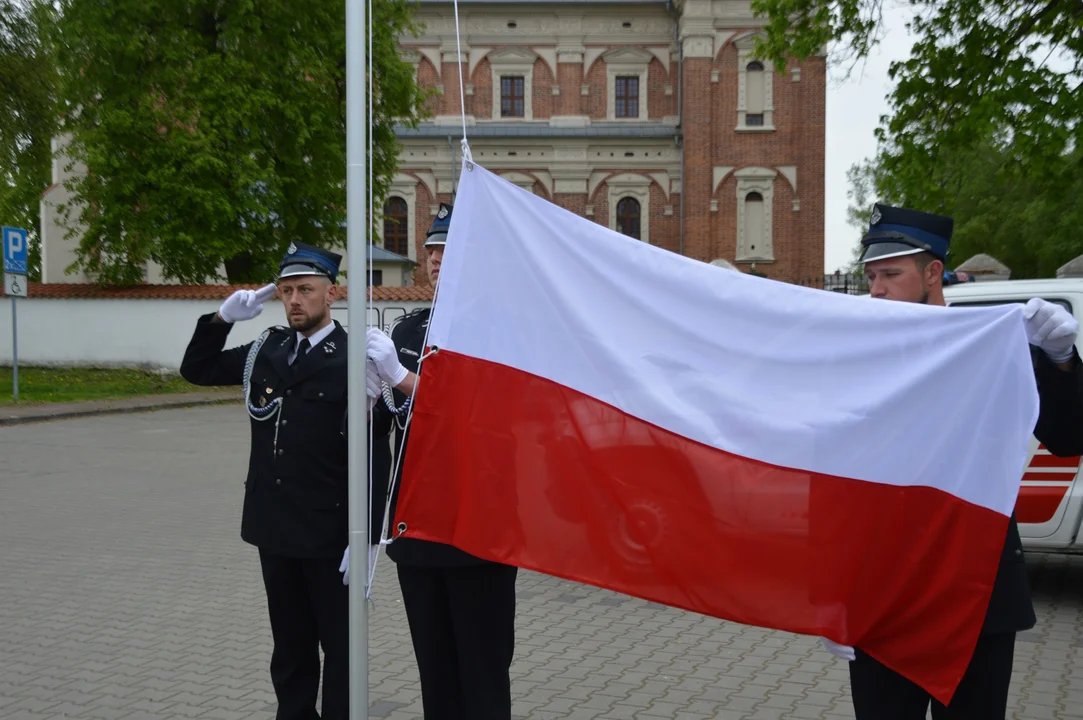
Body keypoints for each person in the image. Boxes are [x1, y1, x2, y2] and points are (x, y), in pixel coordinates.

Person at [820, 203, 1083, 718]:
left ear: (933, 273)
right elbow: (832, 482)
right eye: (871, 276)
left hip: (978, 596)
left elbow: (1070, 437)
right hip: (882, 598)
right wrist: (835, 598)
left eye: (890, 274)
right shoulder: (857, 359)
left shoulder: (993, 347)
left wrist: (1061, 361)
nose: (875, 289)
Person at [180, 241, 380, 720]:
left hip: (331, 536)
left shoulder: (356, 357)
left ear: (332, 293)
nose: (294, 300)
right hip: (275, 530)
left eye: (305, 290)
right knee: (289, 648)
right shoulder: (265, 350)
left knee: (341, 649)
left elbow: (375, 453)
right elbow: (197, 370)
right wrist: (221, 321)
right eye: (286, 290)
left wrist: (368, 536)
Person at [366, 203, 519, 720]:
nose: (435, 258)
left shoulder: (499, 334)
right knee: (436, 678)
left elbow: (479, 413)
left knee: (484, 675)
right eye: (432, 249)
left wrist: (403, 379)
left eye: (448, 249)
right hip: (417, 532)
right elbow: (381, 436)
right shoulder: (407, 333)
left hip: (479, 531)